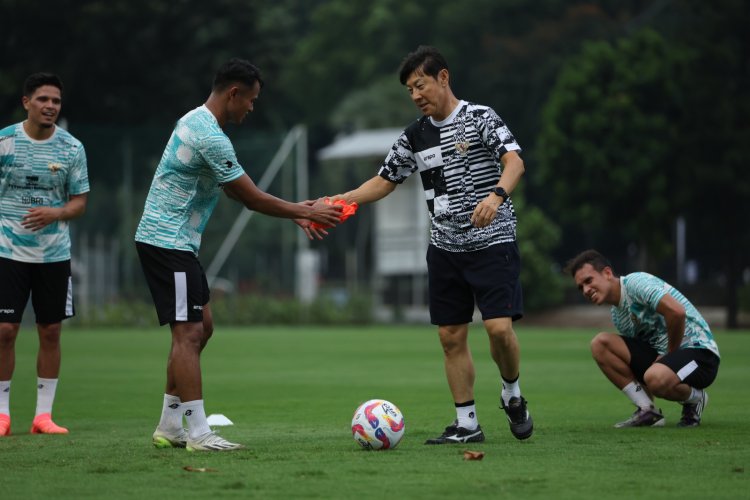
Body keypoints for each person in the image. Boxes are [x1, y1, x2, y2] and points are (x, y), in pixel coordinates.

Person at [134, 58, 341, 452]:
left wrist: (297, 214)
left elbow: (233, 190)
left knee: (202, 327)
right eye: (251, 100)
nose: (251, 107)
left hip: (178, 243)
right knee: (188, 333)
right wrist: (305, 210)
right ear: (233, 93)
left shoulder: (198, 122)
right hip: (166, 242)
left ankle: (169, 425)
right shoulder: (208, 134)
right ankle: (197, 433)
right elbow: (250, 197)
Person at [328, 46, 533, 443]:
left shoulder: (480, 118)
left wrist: (494, 198)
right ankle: (467, 424)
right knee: (450, 336)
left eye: (420, 85)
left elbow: (515, 162)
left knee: (498, 329)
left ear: (443, 77)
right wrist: (337, 201)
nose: (416, 95)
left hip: (493, 242)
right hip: (444, 248)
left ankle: (512, 393)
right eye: (409, 90)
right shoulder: (414, 135)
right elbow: (383, 181)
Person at [0, 73, 89, 436]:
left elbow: (80, 202)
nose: (50, 106)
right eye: (43, 100)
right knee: (4, 331)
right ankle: (2, 414)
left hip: (53, 254)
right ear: (27, 102)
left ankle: (43, 416)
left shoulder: (72, 148)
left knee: (50, 330)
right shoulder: (4, 142)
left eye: (55, 101)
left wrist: (56, 213)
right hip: (7, 251)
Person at [565, 249, 720, 427]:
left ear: (607, 273)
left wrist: (669, 353)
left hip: (700, 354)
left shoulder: (635, 283)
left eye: (588, 281)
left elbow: (676, 312)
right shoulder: (618, 315)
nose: (585, 290)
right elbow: (639, 364)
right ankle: (648, 411)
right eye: (580, 287)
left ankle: (696, 398)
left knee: (656, 377)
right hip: (665, 359)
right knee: (601, 344)